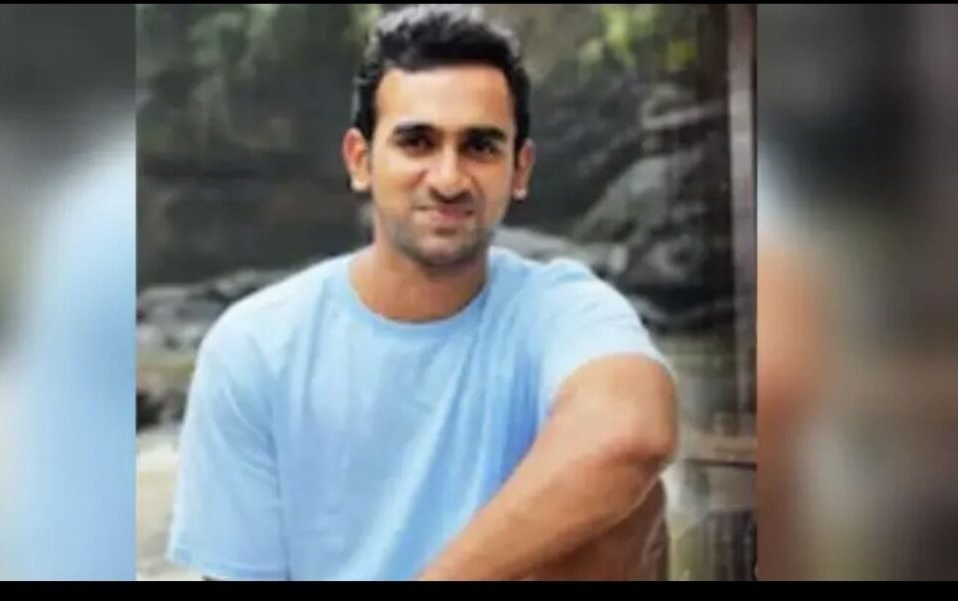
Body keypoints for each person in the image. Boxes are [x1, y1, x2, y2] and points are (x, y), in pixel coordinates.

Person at [167, 4, 677, 581]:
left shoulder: (561, 307)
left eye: (480, 147)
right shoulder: (256, 345)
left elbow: (633, 434)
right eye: (417, 143)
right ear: (361, 160)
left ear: (520, 169)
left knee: (626, 503)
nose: (449, 179)